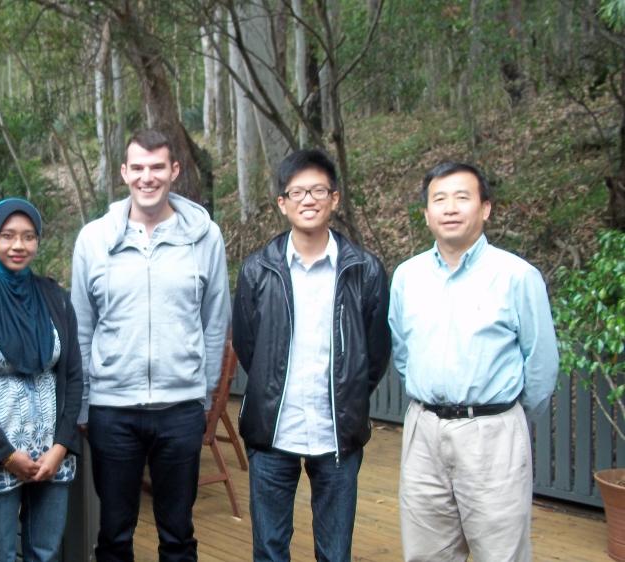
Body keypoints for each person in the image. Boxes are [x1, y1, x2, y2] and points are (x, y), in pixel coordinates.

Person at [71, 129, 230, 561]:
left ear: (174, 171)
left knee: (178, 534)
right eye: (137, 167)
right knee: (114, 534)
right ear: (124, 173)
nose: (147, 177)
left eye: (157, 166)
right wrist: (85, 404)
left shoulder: (204, 237)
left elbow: (215, 323)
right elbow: (82, 329)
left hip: (180, 410)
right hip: (112, 411)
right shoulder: (93, 240)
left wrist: (203, 399)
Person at [389, 162, 558, 562]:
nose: (450, 208)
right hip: (423, 432)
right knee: (425, 552)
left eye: (462, 197)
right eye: (439, 199)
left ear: (485, 209)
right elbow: (401, 353)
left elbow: (542, 364)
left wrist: (503, 417)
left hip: (492, 434)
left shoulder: (517, 276)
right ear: (426, 213)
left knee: (500, 552)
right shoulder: (406, 277)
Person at [232, 149, 391, 562]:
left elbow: (374, 353)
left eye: (318, 190)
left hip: (337, 431)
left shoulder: (365, 270)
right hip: (273, 430)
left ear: (334, 199)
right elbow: (250, 348)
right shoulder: (257, 270)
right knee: (269, 549)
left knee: (335, 553)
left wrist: (350, 391)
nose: (309, 199)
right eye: (297, 191)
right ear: (282, 203)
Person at [0, 198, 83, 562]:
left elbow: (71, 376)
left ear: (38, 241)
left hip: (52, 455)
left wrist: (61, 447)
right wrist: (6, 455)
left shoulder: (55, 297)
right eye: (7, 236)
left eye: (28, 236)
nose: (18, 246)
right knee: (0, 554)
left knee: (46, 552)